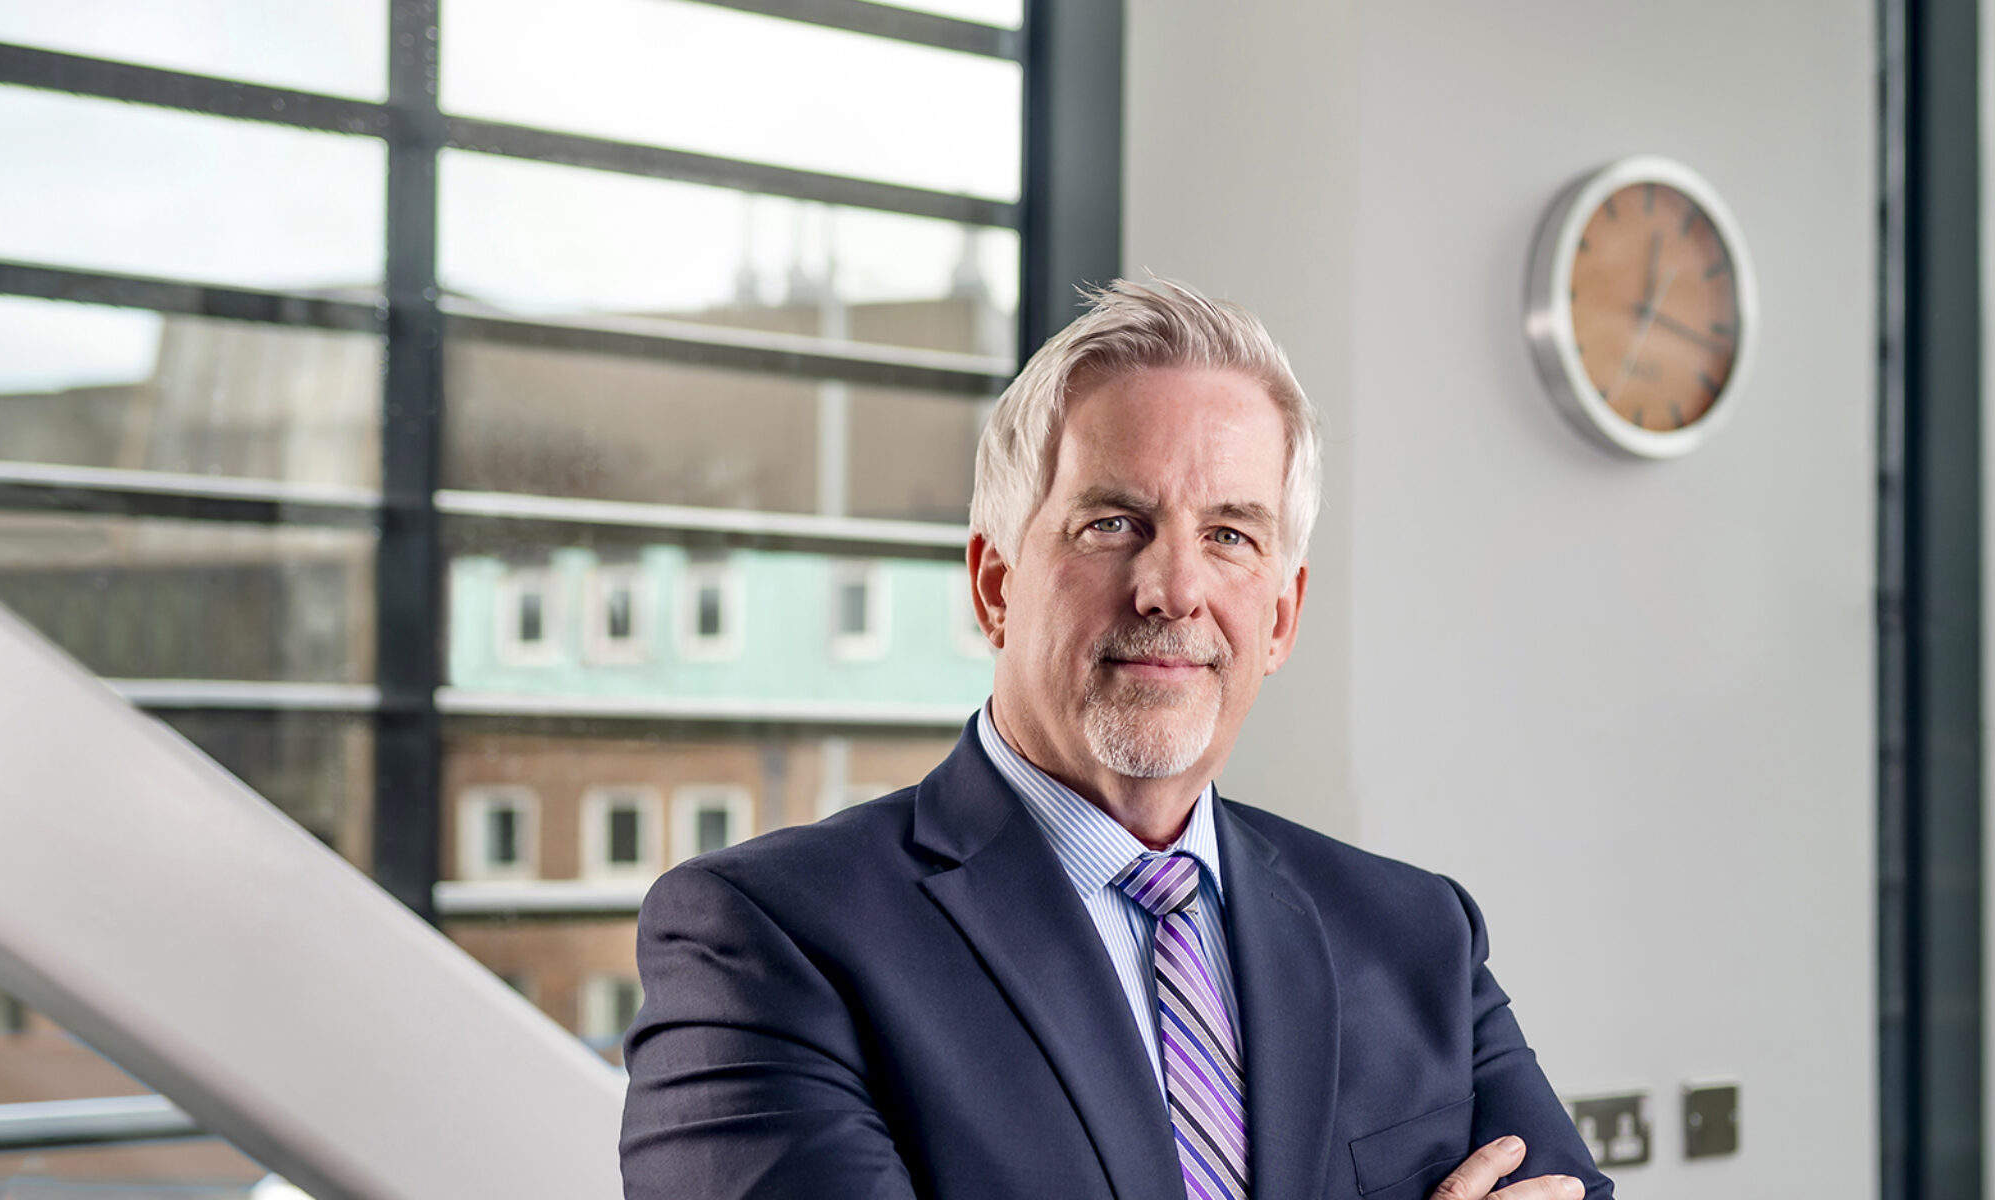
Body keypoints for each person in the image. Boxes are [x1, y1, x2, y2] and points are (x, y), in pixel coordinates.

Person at [619, 279, 1614, 1200]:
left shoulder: (1416, 935)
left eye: (1231, 535)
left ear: (1281, 617)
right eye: (1112, 523)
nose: (1172, 589)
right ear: (994, 584)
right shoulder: (767, 942)